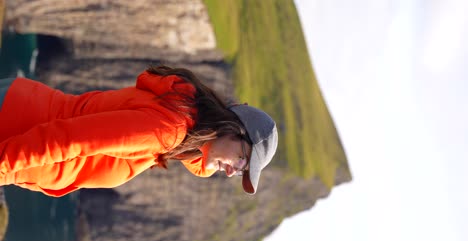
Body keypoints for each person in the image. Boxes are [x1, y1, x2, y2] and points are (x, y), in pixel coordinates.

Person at [0, 65, 278, 197]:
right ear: (235, 129)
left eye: (240, 171)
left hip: (20, 112)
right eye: (241, 160)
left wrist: (211, 153)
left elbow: (199, 164)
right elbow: (67, 140)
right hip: (13, 125)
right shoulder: (166, 131)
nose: (232, 171)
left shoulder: (185, 117)